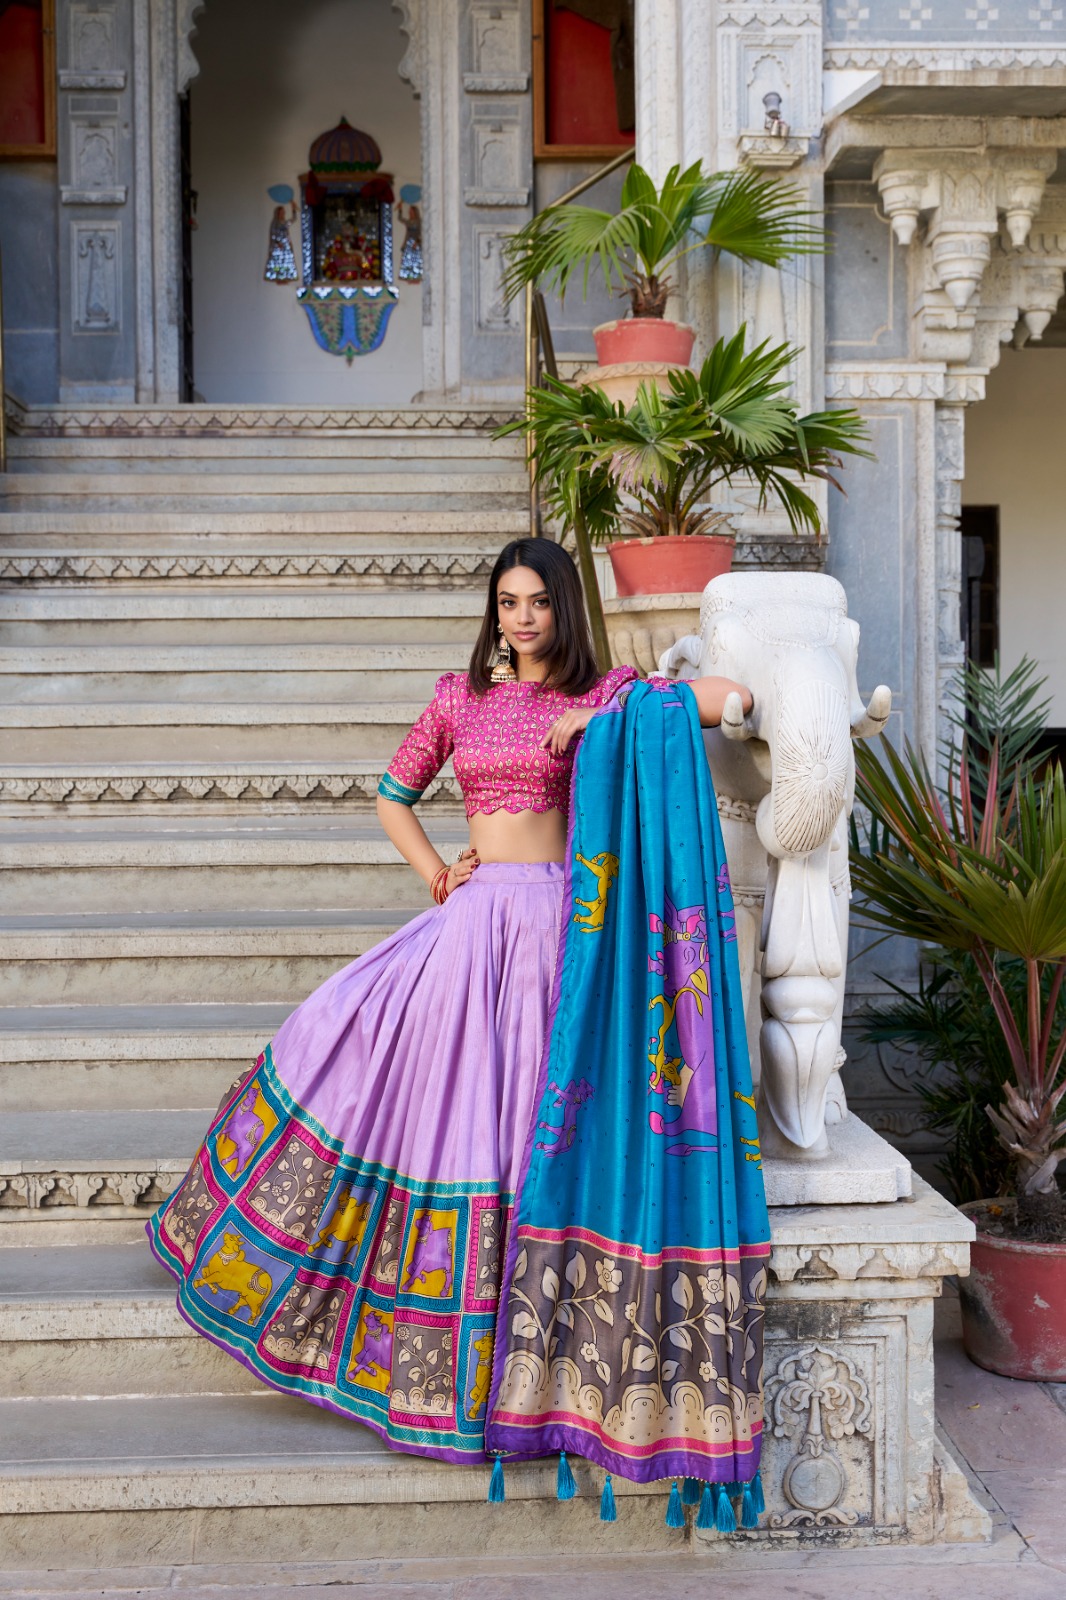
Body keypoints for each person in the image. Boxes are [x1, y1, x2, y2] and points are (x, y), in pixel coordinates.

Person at [147, 537, 765, 1509]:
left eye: (538, 603)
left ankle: (534, 1371)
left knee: (530, 1129)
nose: (521, 618)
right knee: (389, 1070)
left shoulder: (604, 696)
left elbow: (721, 699)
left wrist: (607, 724)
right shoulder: (456, 697)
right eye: (507, 602)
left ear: (565, 608)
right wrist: (437, 874)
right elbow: (392, 793)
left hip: (566, 927)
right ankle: (439, 1361)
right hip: (472, 929)